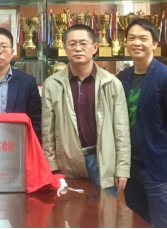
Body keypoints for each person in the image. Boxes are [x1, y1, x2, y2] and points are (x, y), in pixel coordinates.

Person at [118, 18, 167, 228]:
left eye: (143, 38)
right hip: (130, 168)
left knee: (163, 223)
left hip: (157, 167)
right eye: (131, 38)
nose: (136, 43)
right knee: (138, 222)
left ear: (155, 43)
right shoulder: (122, 77)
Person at [42, 24, 131, 197]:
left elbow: (121, 130)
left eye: (83, 43)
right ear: (65, 48)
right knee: (70, 211)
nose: (78, 48)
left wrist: (122, 168)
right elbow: (48, 131)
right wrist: (51, 166)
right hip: (67, 162)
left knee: (105, 212)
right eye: (72, 44)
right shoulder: (52, 84)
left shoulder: (112, 83)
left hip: (103, 161)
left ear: (95, 47)